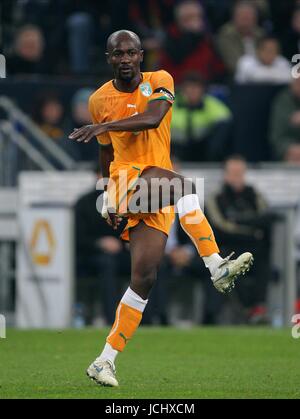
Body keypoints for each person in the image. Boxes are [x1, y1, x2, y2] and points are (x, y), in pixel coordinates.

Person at [69, 30, 253, 387]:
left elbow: (153, 118)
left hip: (156, 186)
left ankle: (104, 360)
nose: (124, 59)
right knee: (183, 186)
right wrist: (105, 195)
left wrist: (103, 125)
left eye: (130, 52)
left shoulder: (160, 80)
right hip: (126, 180)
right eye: (116, 54)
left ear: (141, 55)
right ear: (108, 59)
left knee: (145, 278)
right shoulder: (98, 100)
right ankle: (215, 265)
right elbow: (106, 153)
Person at [206, 156, 273, 323]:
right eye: (233, 173)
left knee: (263, 261)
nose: (237, 177)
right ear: (225, 175)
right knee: (233, 265)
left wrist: (238, 220)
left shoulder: (254, 194)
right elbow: (221, 229)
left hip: (255, 248)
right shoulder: (216, 197)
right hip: (228, 249)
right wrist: (252, 229)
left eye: (240, 173)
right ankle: (248, 311)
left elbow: (266, 218)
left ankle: (258, 308)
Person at [171, 72, 232, 161]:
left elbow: (226, 118)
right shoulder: (171, 104)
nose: (192, 91)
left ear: (203, 90)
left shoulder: (210, 103)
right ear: (182, 90)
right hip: (176, 149)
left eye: (196, 88)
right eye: (189, 87)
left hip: (201, 149)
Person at [217, 1, 265, 77]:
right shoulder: (226, 34)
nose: (246, 22)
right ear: (234, 18)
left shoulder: (261, 34)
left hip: (262, 76)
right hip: (235, 78)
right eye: (243, 17)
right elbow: (233, 64)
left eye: (249, 18)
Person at [270, 77, 300, 163]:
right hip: (288, 145)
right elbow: (277, 135)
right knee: (295, 155)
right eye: (298, 83)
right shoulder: (283, 100)